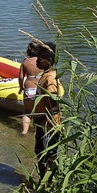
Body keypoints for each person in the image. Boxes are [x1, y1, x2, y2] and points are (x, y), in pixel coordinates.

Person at [32, 41, 60, 179]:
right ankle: (44, 185)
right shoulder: (46, 75)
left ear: (49, 60)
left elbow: (56, 106)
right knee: (41, 153)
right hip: (43, 124)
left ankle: (46, 187)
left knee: (46, 156)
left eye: (39, 59)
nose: (36, 61)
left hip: (49, 126)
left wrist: (38, 118)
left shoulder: (50, 79)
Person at [19, 41, 43, 135]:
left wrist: (21, 88)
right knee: (39, 111)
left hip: (29, 88)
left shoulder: (25, 62)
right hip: (40, 88)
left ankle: (24, 131)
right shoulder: (43, 61)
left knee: (27, 111)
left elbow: (21, 78)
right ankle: (36, 132)